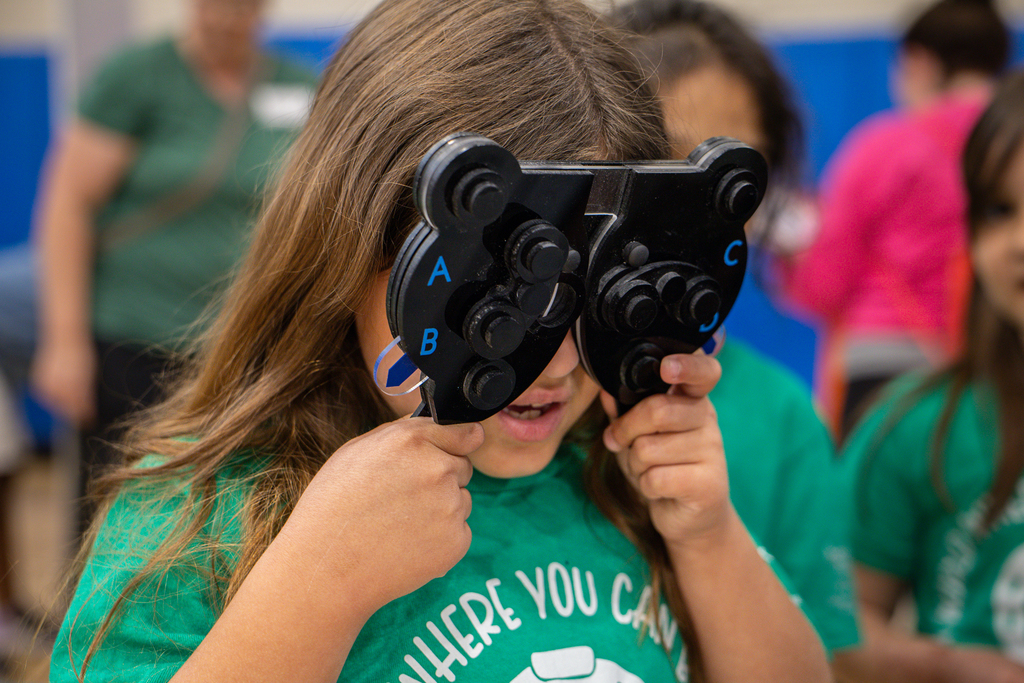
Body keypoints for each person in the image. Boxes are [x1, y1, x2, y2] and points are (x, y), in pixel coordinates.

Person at [48, 1, 832, 681]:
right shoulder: (203, 517)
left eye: (589, 296)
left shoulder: (620, 474)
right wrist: (317, 584)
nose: (556, 360)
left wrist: (707, 536)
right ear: (346, 254)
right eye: (496, 305)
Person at [613, 0, 860, 663]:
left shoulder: (782, 416)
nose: (697, 209)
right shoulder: (535, 397)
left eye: (731, 179)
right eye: (660, 163)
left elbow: (827, 656)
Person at [29, 0, 317, 536]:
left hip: (241, 353)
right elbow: (68, 203)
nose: (228, 17)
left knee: (219, 518)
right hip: (135, 344)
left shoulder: (299, 87)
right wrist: (63, 340)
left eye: (244, 7)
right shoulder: (137, 77)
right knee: (113, 514)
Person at [836, 69, 1024, 683]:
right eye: (999, 210)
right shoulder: (914, 425)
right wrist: (952, 667)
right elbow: (838, 627)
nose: (1018, 241)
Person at [777, 0, 1010, 439]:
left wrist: (792, 254)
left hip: (885, 368)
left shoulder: (883, 147)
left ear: (920, 62)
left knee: (873, 506)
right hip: (996, 363)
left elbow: (825, 282)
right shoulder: (1011, 150)